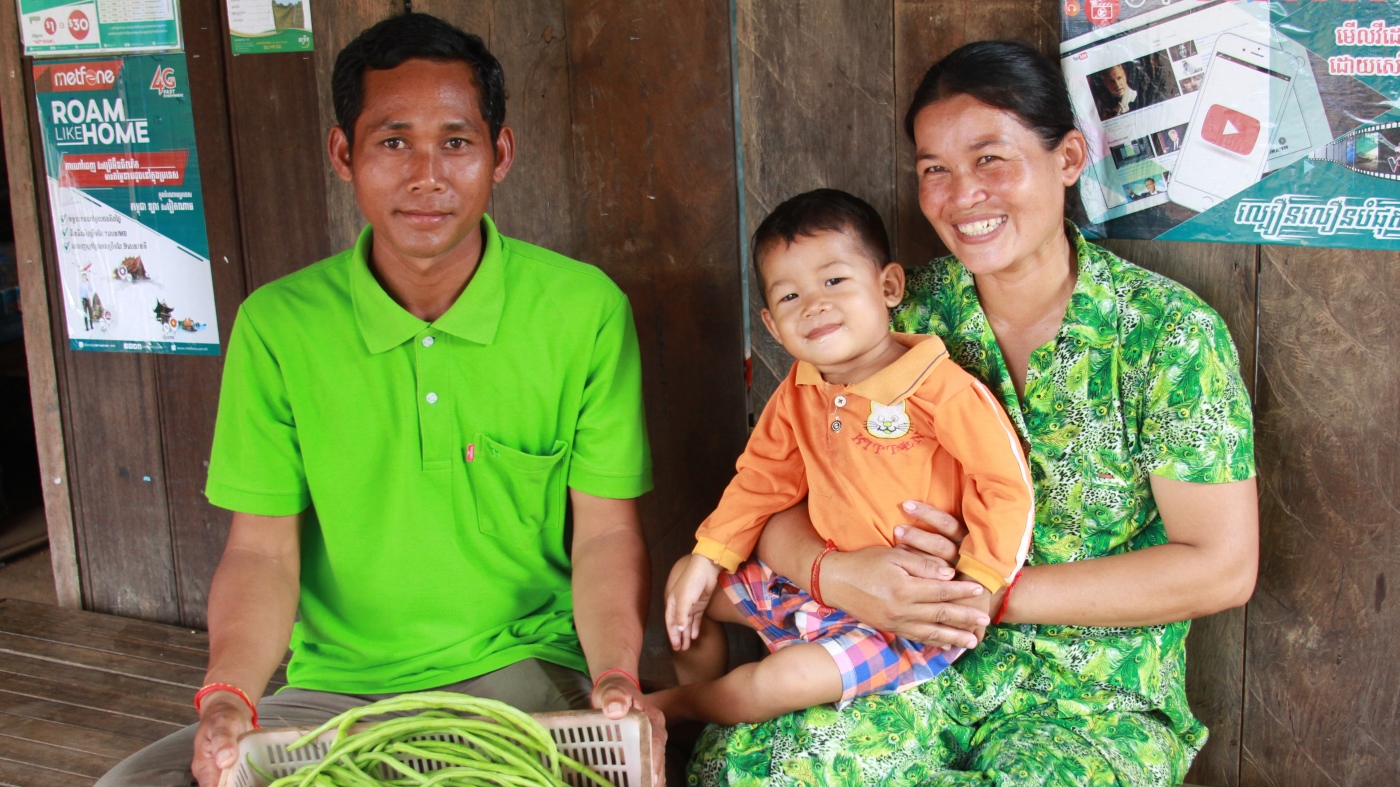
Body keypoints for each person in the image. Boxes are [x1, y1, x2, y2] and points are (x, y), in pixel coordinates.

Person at [96, 13, 662, 787]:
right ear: (344, 154)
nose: (426, 174)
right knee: (133, 784)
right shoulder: (279, 325)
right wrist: (228, 699)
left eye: (456, 142)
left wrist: (617, 678)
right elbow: (261, 550)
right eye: (393, 141)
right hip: (336, 693)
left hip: (519, 681)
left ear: (500, 154)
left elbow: (605, 535)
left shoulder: (582, 310)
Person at [690, 40, 1257, 787]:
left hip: (1090, 701)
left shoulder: (1164, 333)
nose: (962, 195)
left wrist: (978, 591)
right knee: (759, 769)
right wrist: (838, 575)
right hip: (897, 666)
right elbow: (775, 490)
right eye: (935, 170)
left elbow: (1222, 566)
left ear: (1069, 157)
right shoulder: (887, 309)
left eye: (991, 159)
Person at [653, 189, 1034, 725]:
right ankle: (702, 710)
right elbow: (762, 478)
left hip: (903, 612)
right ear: (769, 324)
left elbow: (1003, 484)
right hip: (818, 579)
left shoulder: (939, 389)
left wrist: (981, 583)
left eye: (834, 281)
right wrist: (709, 553)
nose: (814, 305)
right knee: (685, 590)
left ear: (888, 286)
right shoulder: (798, 390)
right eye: (789, 298)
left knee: (782, 681)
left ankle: (668, 713)